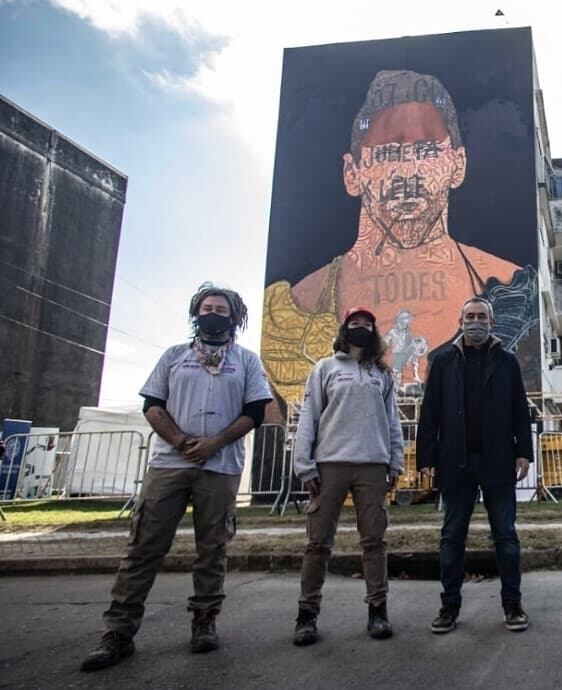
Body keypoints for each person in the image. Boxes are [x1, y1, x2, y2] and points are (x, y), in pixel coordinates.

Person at [262, 69, 527, 405]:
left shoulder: (513, 286)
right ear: (352, 173)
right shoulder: (291, 313)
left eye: (427, 150)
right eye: (388, 154)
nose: (408, 172)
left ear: (457, 164)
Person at [81, 283, 272, 671]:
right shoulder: (173, 357)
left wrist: (213, 444)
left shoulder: (247, 362)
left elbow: (255, 411)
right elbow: (152, 405)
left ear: (234, 317)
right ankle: (118, 632)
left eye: (221, 308)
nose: (213, 313)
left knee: (212, 548)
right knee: (143, 547)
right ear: (195, 313)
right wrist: (182, 441)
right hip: (169, 464)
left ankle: (205, 623)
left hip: (220, 467)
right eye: (207, 307)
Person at [417, 297, 532, 634]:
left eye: (482, 316)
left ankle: (513, 605)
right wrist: (426, 457)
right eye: (470, 316)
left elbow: (519, 411)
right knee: (452, 537)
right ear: (460, 320)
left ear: (492, 322)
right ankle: (448, 607)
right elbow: (430, 413)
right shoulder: (442, 361)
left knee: (506, 537)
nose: (476, 321)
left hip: (498, 462)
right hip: (455, 463)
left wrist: (523, 451)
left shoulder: (507, 362)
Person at [291, 307, 404, 645]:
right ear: (344, 330)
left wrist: (395, 463)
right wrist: (305, 465)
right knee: (318, 543)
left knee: (374, 542)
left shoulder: (382, 375)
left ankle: (377, 611)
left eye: (367, 325)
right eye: (354, 325)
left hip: (372, 465)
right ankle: (306, 616)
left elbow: (392, 423)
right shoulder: (324, 369)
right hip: (330, 466)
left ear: (374, 333)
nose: (360, 329)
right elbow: (309, 418)